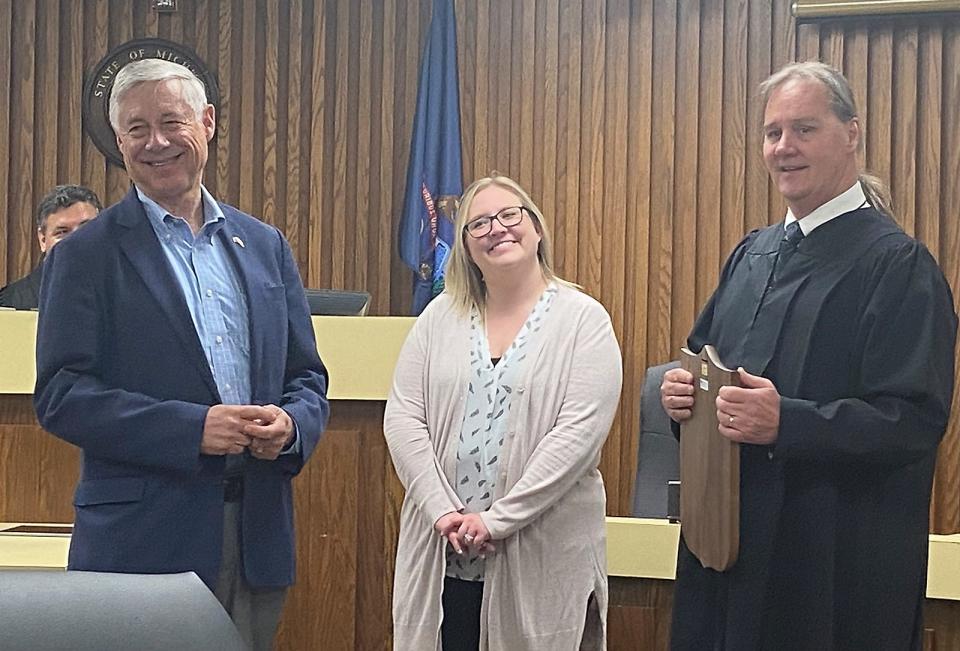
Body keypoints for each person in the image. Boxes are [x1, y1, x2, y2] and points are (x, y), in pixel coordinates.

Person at [33, 59, 329, 651]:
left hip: (256, 538)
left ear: (209, 122)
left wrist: (293, 425)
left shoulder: (265, 245)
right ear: (120, 143)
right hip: (140, 542)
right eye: (137, 129)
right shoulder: (85, 256)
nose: (157, 141)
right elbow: (62, 395)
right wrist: (192, 428)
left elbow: (306, 376)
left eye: (171, 121)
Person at [661, 61, 957, 650]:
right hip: (728, 546)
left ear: (852, 133)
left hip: (830, 567)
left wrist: (786, 423)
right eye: (773, 132)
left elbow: (914, 422)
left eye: (805, 129)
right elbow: (704, 363)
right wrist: (683, 398)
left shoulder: (897, 266)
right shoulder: (753, 254)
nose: (784, 147)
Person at [384, 174, 623, 650]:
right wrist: (443, 511)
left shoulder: (584, 321)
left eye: (509, 215)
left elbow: (576, 438)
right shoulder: (438, 318)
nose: (497, 228)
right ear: (467, 248)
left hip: (538, 556)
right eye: (478, 224)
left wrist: (497, 520)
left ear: (535, 228)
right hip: (442, 554)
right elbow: (404, 417)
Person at [0, 184, 101, 309]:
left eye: (87, 228)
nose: (76, 240)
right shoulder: (10, 303)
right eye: (62, 232)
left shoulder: (125, 295)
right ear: (43, 239)